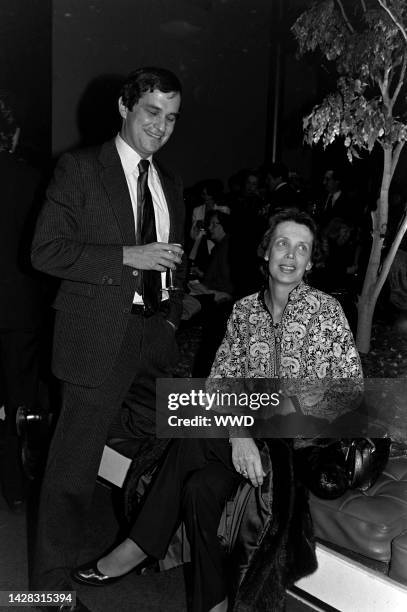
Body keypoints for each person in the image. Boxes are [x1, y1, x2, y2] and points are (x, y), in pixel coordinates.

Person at [73, 209, 362, 612]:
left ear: (311, 261)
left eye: (303, 248)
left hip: (293, 450)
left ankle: (140, 545)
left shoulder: (325, 313)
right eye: (282, 243)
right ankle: (211, 604)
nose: (291, 255)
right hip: (235, 439)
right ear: (266, 253)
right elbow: (219, 384)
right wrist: (240, 431)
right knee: (198, 489)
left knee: (198, 423)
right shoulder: (244, 311)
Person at [30, 67, 186, 607]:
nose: (161, 127)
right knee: (72, 471)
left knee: (178, 444)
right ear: (124, 108)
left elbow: (175, 262)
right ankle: (49, 590)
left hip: (155, 336)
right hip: (99, 340)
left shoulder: (169, 184)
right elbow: (44, 251)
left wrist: (169, 318)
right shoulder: (80, 169)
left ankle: (141, 550)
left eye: (171, 117)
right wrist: (126, 257)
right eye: (151, 112)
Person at [0, 91, 43, 513]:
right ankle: (14, 485)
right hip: (18, 310)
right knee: (18, 402)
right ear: (13, 137)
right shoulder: (31, 180)